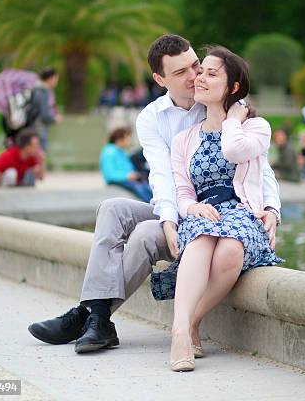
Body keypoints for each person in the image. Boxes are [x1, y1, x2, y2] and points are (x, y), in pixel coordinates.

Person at [27, 34, 281, 356]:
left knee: (147, 234)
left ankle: (89, 314)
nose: (194, 77)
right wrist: (170, 218)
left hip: (219, 212)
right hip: (178, 206)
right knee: (112, 207)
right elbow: (161, 175)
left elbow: (260, 166)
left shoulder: (224, 106)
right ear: (160, 79)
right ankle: (98, 315)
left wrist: (272, 207)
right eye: (180, 73)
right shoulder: (152, 117)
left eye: (196, 66)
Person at [151, 46, 283, 371]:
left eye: (212, 73)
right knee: (201, 237)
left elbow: (236, 152)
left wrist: (233, 119)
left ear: (233, 87)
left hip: (241, 212)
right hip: (204, 210)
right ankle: (180, 332)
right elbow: (182, 190)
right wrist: (191, 207)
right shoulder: (184, 139)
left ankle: (193, 320)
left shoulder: (256, 127)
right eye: (202, 71)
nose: (200, 78)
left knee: (229, 252)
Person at [99, 127, 152, 202]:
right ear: (120, 139)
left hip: (127, 177)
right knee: (140, 187)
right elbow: (109, 173)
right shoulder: (109, 152)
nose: (128, 140)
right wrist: (128, 176)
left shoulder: (120, 151)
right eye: (127, 138)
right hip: (118, 180)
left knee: (147, 183)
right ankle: (150, 205)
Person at [32, 67, 61, 152]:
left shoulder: (38, 89)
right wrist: (54, 119)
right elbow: (44, 115)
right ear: (51, 78)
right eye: (56, 78)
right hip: (40, 129)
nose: (56, 81)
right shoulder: (43, 92)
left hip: (37, 128)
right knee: (41, 155)